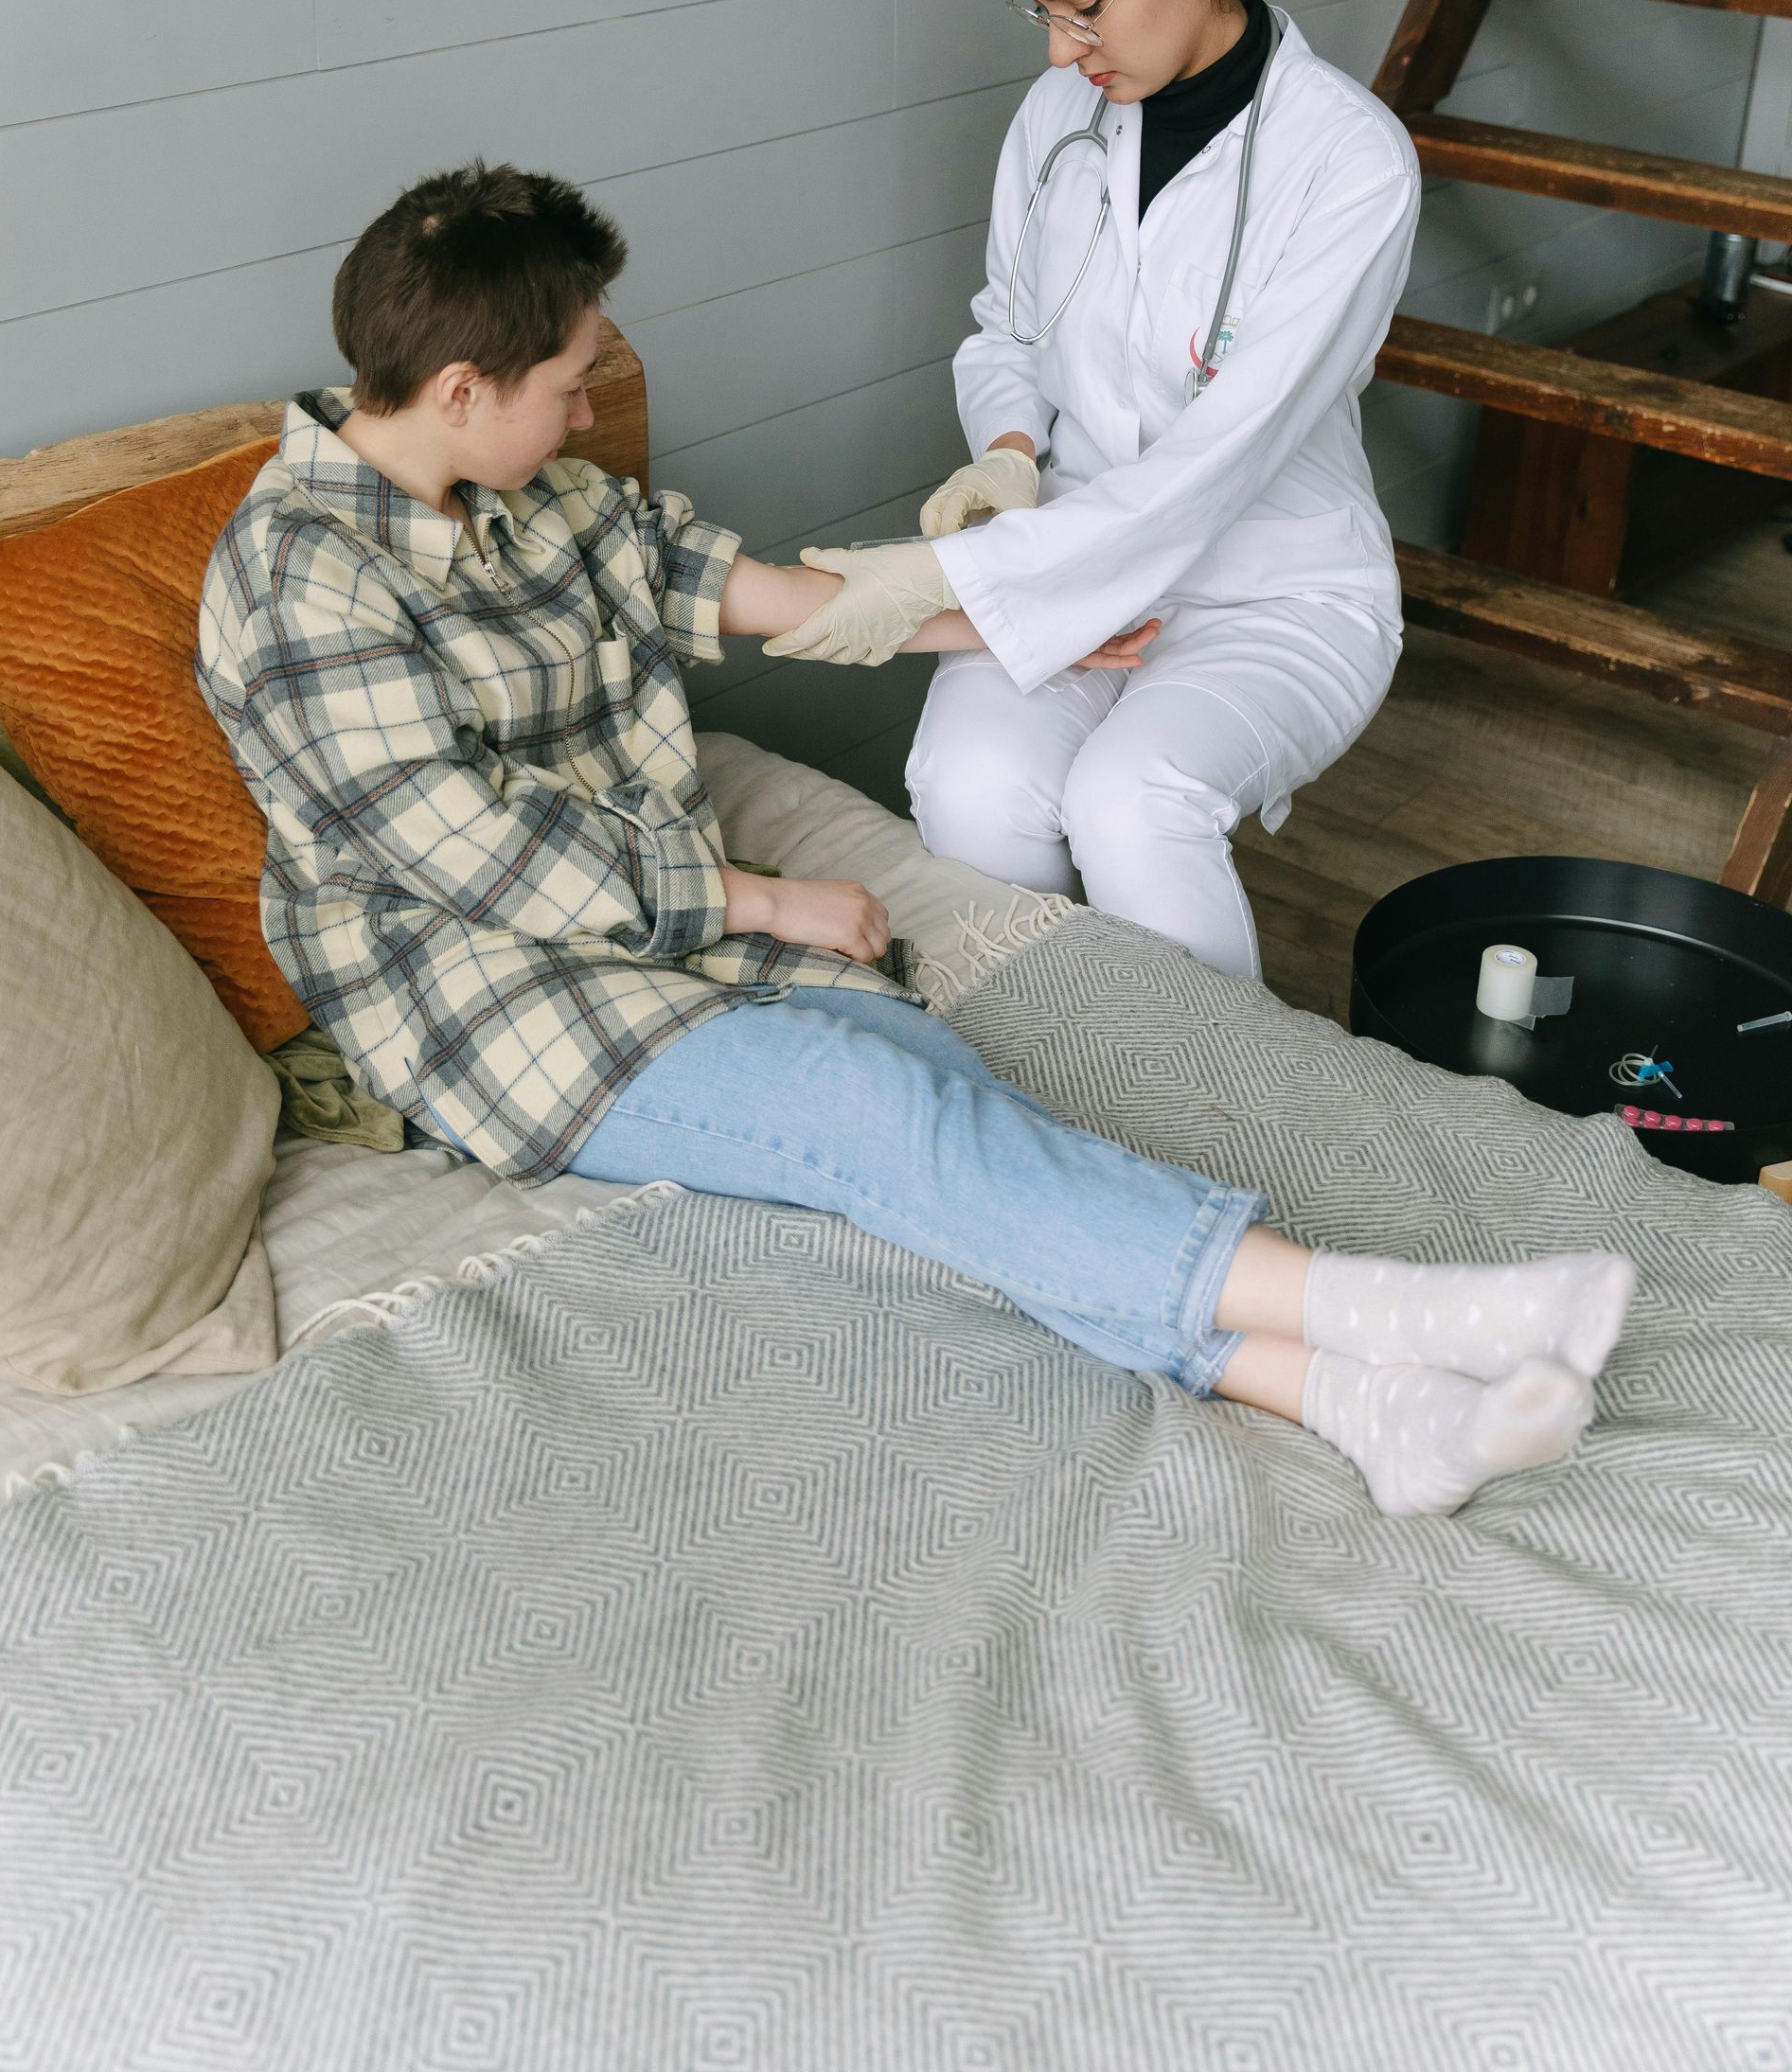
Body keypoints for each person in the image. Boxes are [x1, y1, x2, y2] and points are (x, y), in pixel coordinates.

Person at [198, 161, 1633, 1517]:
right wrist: (766, 901)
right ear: (462, 388)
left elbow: (776, 596)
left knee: (948, 1098)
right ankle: (1394, 1309)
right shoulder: (299, 578)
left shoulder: (541, 500)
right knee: (873, 1113)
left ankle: (1352, 1406)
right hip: (494, 996)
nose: (587, 420)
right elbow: (477, 854)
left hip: (664, 946)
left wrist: (1031, 629)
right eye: (569, 390)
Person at [767, 0, 1418, 984]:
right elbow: (1007, 325)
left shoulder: (1348, 165)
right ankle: (1056, 1081)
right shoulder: (1057, 119)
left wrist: (944, 577)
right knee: (970, 789)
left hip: (1273, 588)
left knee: (1133, 804)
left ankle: (1232, 1125)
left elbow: (1214, 470)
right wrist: (1010, 451)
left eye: (1087, 7)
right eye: (1042, 12)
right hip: (1066, 553)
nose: (1063, 52)